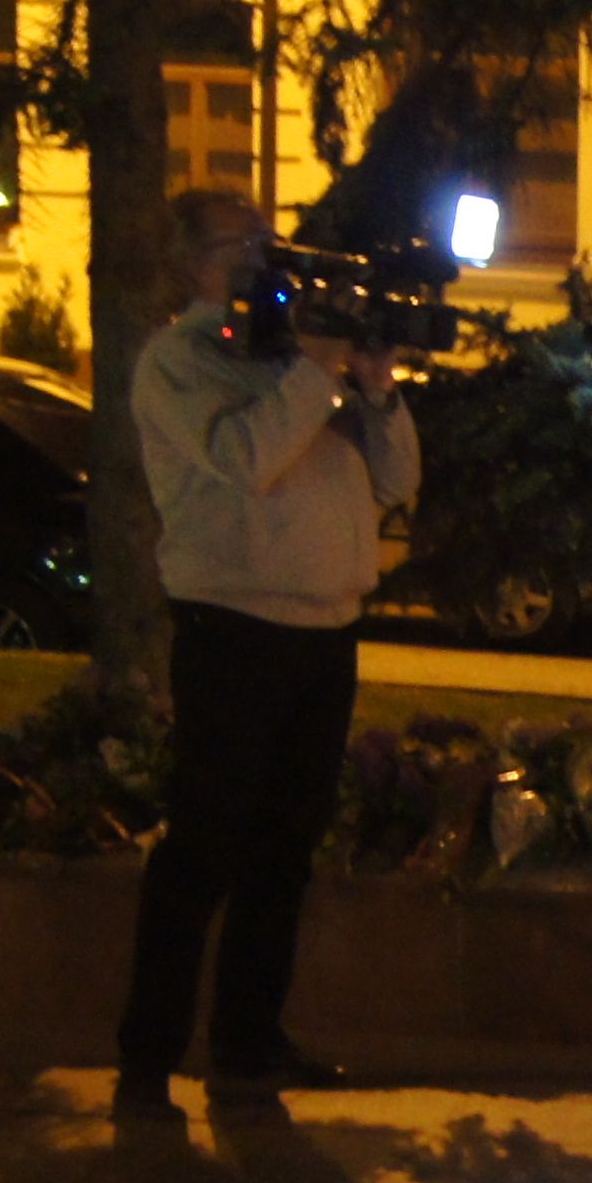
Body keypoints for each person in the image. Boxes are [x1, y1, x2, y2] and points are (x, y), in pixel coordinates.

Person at [114, 190, 416, 1119]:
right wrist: (319, 372)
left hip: (325, 634)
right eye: (236, 241)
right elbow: (247, 459)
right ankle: (148, 1060)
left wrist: (376, 388)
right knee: (204, 848)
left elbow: (398, 481)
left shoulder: (298, 362)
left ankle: (248, 1040)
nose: (259, 253)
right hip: (234, 632)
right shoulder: (180, 361)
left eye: (263, 236)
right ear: (190, 263)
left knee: (284, 851)